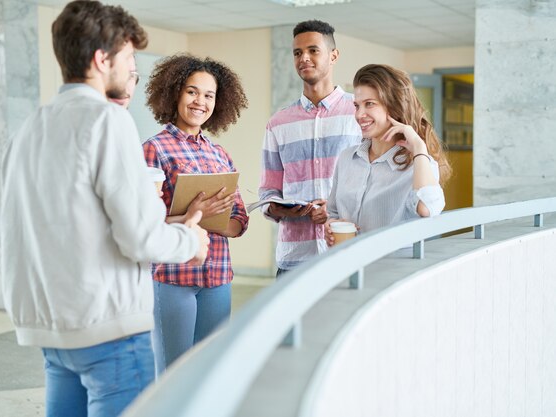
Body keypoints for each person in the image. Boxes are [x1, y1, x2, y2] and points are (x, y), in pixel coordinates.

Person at [0, 2, 209, 417]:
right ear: (102, 60)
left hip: (52, 330)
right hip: (108, 331)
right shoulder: (107, 121)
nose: (133, 70)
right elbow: (140, 237)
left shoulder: (29, 127)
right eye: (129, 59)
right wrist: (191, 239)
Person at [142, 54, 249, 374]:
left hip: (217, 277)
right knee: (174, 373)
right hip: (172, 277)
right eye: (192, 91)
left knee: (210, 371)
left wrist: (218, 217)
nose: (200, 101)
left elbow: (239, 219)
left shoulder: (220, 154)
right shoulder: (154, 149)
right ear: (174, 92)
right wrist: (194, 214)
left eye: (209, 95)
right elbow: (142, 219)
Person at [259, 19, 362, 275]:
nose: (304, 58)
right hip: (294, 259)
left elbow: (372, 183)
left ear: (334, 55)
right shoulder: (278, 123)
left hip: (346, 252)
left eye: (313, 50)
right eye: (297, 52)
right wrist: (282, 208)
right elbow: (268, 192)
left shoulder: (359, 113)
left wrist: (334, 207)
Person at [325, 63, 452, 246]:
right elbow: (333, 213)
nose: (360, 114)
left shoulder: (419, 164)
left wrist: (418, 146)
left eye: (369, 104)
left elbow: (428, 208)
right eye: (356, 105)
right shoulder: (347, 158)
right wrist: (330, 226)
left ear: (393, 107)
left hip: (392, 271)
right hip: (348, 268)